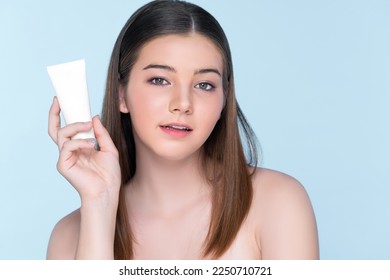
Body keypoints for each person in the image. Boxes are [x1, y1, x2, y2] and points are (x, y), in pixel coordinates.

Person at [47, 0, 319, 260]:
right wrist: (99, 203)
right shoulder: (68, 237)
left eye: (204, 85)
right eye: (160, 80)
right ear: (121, 95)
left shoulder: (278, 203)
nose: (183, 104)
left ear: (224, 99)